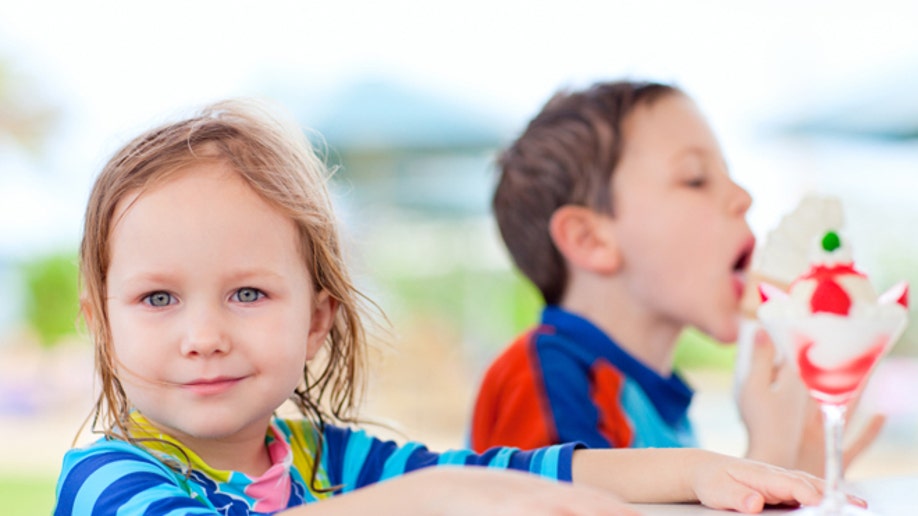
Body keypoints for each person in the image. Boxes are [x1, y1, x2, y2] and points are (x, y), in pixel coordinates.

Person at [50, 98, 840, 515]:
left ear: (317, 320)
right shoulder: (107, 477)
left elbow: (513, 472)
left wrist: (699, 470)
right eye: (157, 298)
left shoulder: (332, 464)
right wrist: (426, 499)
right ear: (102, 322)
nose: (204, 336)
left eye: (248, 293)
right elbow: (448, 488)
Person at [469, 80, 882, 474]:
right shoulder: (544, 378)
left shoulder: (654, 400)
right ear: (590, 239)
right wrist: (765, 461)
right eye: (696, 179)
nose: (744, 196)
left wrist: (795, 470)